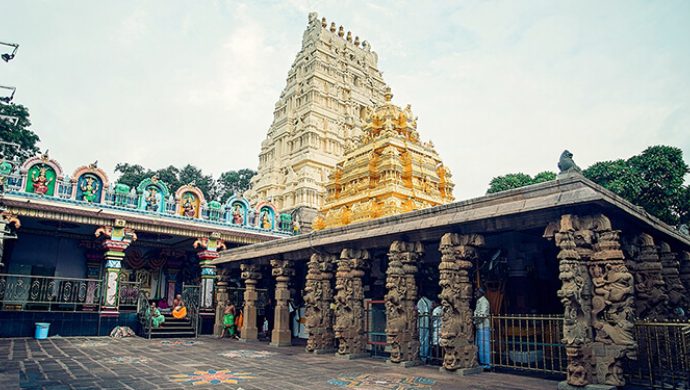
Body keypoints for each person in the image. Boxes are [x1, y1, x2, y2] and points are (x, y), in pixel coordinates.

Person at [474, 287, 491, 369]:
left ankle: (487, 364)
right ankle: (482, 362)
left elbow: (483, 314)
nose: (475, 293)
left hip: (483, 326)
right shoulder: (479, 301)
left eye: (477, 292)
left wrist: (475, 319)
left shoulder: (484, 301)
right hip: (479, 326)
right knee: (480, 345)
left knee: (484, 345)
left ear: (481, 293)